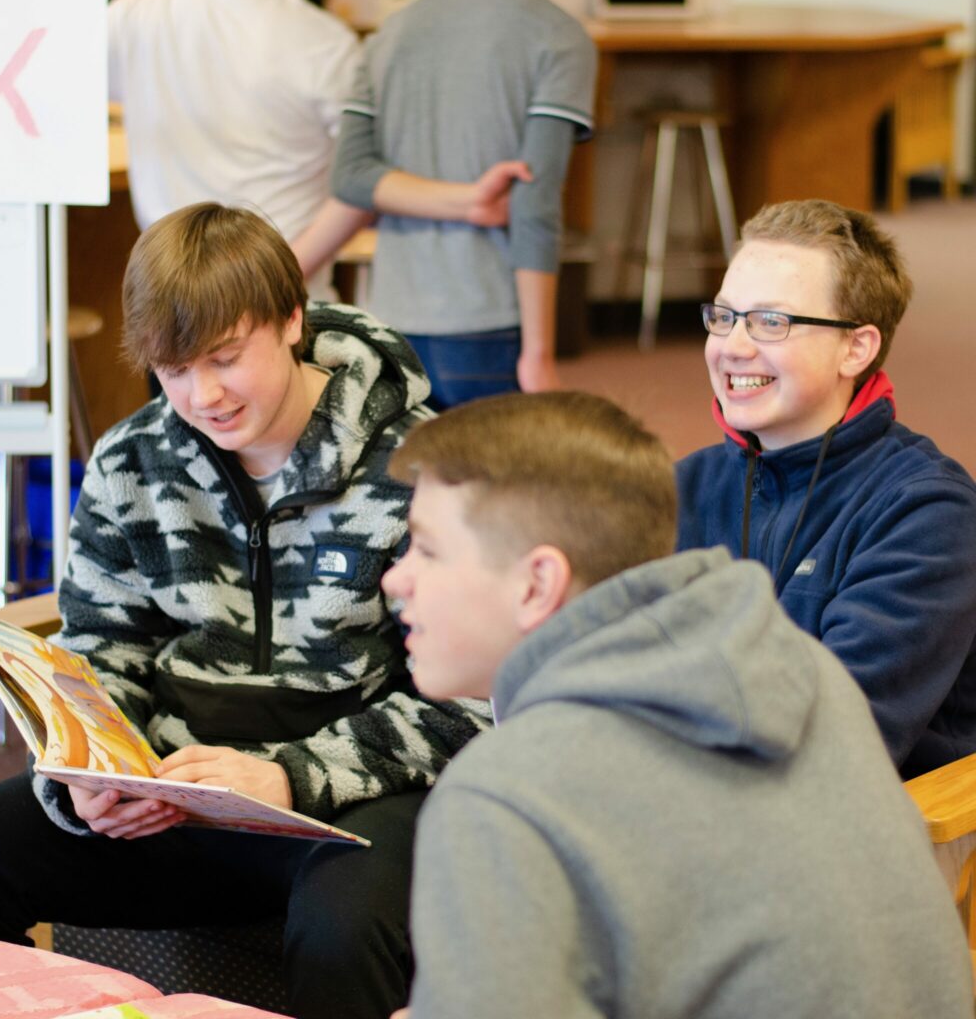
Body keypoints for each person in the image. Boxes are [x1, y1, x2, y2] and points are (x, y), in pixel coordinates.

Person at [0, 204, 490, 1019]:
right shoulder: (131, 460)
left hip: (353, 801)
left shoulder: (424, 466)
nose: (202, 395)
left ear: (292, 320)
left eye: (226, 358)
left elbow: (470, 699)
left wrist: (291, 777)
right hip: (178, 790)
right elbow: (105, 653)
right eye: (173, 370)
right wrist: (91, 775)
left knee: (344, 931)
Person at [380, 390, 973, 1019]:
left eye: (428, 549)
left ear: (537, 584)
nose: (394, 578)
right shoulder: (804, 673)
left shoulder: (502, 795)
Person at [675, 199, 976, 779]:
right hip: (699, 796)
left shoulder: (928, 513)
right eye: (725, 316)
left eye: (771, 322)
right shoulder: (684, 486)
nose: (733, 346)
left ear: (856, 348)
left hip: (870, 835)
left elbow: (831, 742)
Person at [293, 0, 597, 410]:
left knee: (405, 473)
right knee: (492, 475)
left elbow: (350, 179)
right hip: (490, 322)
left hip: (389, 323)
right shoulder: (559, 35)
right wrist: (539, 355)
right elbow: (534, 204)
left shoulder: (390, 34)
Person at [108, 0, 361, 301]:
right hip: (282, 296)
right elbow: (364, 181)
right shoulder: (323, 41)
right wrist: (279, 278)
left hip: (170, 289)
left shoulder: (135, 18)